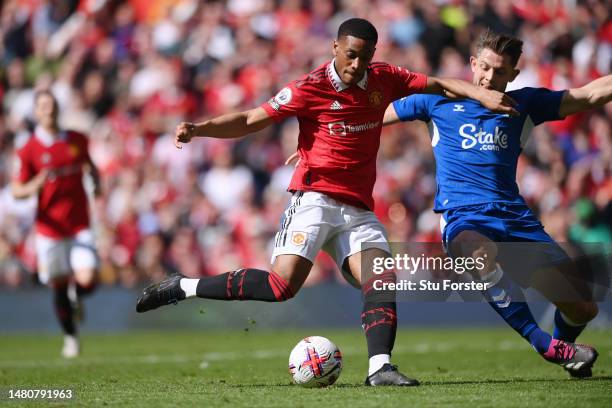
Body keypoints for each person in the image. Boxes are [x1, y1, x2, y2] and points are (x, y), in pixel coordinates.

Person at [136, 18, 517, 386]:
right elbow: (252, 119)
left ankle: (380, 368)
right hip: (314, 198)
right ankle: (183, 286)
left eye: (365, 56)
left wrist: (480, 93)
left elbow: (439, 85)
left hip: (359, 208)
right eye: (351, 54)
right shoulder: (309, 86)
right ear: (335, 47)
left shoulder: (385, 77)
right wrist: (199, 129)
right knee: (280, 287)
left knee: (381, 276)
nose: (357, 64)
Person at [385, 28, 611, 377]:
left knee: (583, 308)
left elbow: (589, 94)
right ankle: (545, 344)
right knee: (479, 253)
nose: (489, 78)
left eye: (500, 71)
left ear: (514, 75)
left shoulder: (524, 105)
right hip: (463, 218)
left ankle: (569, 353)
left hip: (515, 218)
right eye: (485, 68)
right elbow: (372, 114)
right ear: (473, 63)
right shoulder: (437, 100)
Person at [12, 90, 101, 358]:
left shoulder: (77, 140)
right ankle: (71, 337)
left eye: (51, 105)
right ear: (36, 112)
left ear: (58, 108)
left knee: (89, 278)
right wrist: (33, 186)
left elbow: (90, 167)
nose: (48, 110)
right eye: (42, 106)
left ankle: (78, 296)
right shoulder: (28, 149)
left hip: (78, 224)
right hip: (49, 230)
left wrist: (96, 184)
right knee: (59, 284)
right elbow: (17, 190)